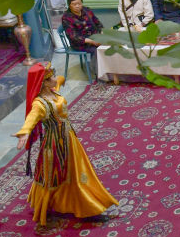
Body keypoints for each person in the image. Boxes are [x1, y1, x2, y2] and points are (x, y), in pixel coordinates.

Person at [14, 62, 117, 225]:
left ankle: (84, 204)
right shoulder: (39, 104)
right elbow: (31, 119)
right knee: (54, 175)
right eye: (52, 78)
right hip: (55, 144)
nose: (55, 79)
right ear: (44, 83)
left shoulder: (53, 92)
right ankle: (68, 206)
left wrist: (60, 79)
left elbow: (60, 80)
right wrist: (24, 133)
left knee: (77, 172)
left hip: (69, 139)